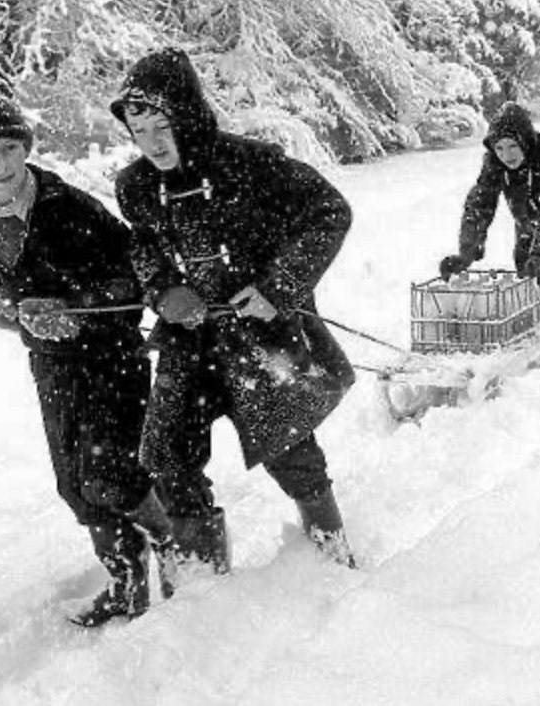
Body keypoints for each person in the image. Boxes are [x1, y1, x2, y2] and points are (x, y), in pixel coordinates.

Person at [110, 47, 358, 570]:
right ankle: (203, 582)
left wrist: (277, 287)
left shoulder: (253, 165)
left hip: (261, 337)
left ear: (188, 116)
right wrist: (163, 290)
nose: (153, 144)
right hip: (188, 342)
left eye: (163, 126)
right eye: (140, 131)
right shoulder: (135, 186)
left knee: (291, 450)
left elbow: (329, 212)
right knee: (167, 454)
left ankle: (333, 561)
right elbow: (144, 248)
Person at [0, 86, 177, 627]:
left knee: (110, 474)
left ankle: (172, 541)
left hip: (111, 356)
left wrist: (76, 306)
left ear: (24, 146)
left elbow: (133, 278)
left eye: (7, 148)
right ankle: (126, 584)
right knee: (74, 486)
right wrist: (2, 303)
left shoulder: (69, 207)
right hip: (50, 362)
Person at [439, 101, 540, 329]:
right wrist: (466, 252)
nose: (507, 155)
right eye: (500, 148)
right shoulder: (494, 162)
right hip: (527, 211)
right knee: (528, 263)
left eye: (513, 146)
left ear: (524, 141)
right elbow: (480, 203)